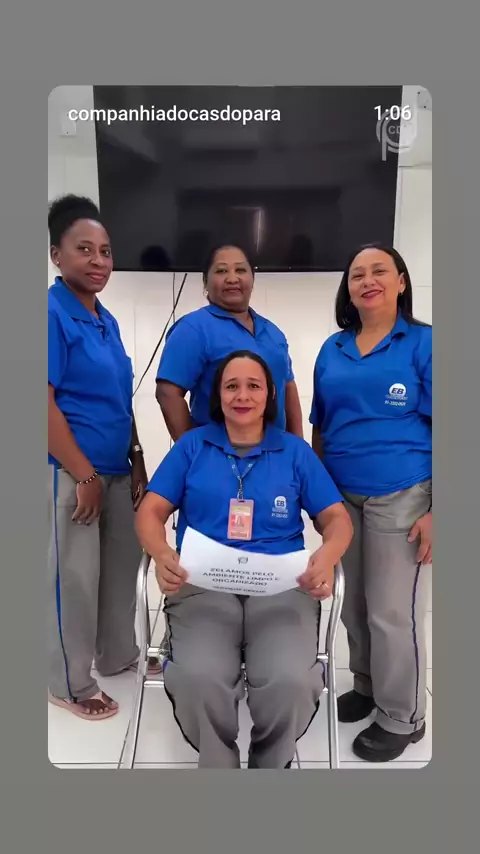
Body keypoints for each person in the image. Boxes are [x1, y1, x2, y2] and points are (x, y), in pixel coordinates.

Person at [135, 350, 353, 768]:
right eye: (231, 386)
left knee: (290, 680)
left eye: (253, 386)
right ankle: (218, 765)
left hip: (281, 588)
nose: (242, 395)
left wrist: (327, 555)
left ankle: (270, 764)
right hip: (202, 586)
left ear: (269, 394)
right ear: (217, 395)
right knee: (200, 677)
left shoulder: (294, 452)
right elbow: (150, 511)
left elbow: (337, 519)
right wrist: (161, 553)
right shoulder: (192, 446)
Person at [310, 243, 432, 762]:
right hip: (342, 498)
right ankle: (367, 685)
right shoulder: (332, 349)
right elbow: (320, 427)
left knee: (391, 612)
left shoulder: (424, 343)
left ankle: (403, 716)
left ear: (401, 282)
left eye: (379, 270)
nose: (367, 280)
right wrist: (318, 498)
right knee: (354, 606)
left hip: (402, 495)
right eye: (357, 274)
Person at [48, 194, 160, 722]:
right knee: (74, 580)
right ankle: (68, 682)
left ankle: (117, 655)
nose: (98, 260)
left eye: (106, 251)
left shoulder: (105, 319)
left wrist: (136, 458)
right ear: (57, 254)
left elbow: (120, 399)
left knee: (120, 573)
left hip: (115, 471)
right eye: (84, 249)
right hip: (72, 474)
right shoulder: (51, 313)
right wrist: (83, 473)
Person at [155, 243, 304, 440]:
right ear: (205, 282)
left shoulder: (273, 332)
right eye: (221, 271)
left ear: (252, 279)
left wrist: (299, 449)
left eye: (241, 270)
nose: (232, 279)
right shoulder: (193, 328)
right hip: (221, 455)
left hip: (276, 453)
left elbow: (288, 388)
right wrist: (194, 450)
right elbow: (168, 393)